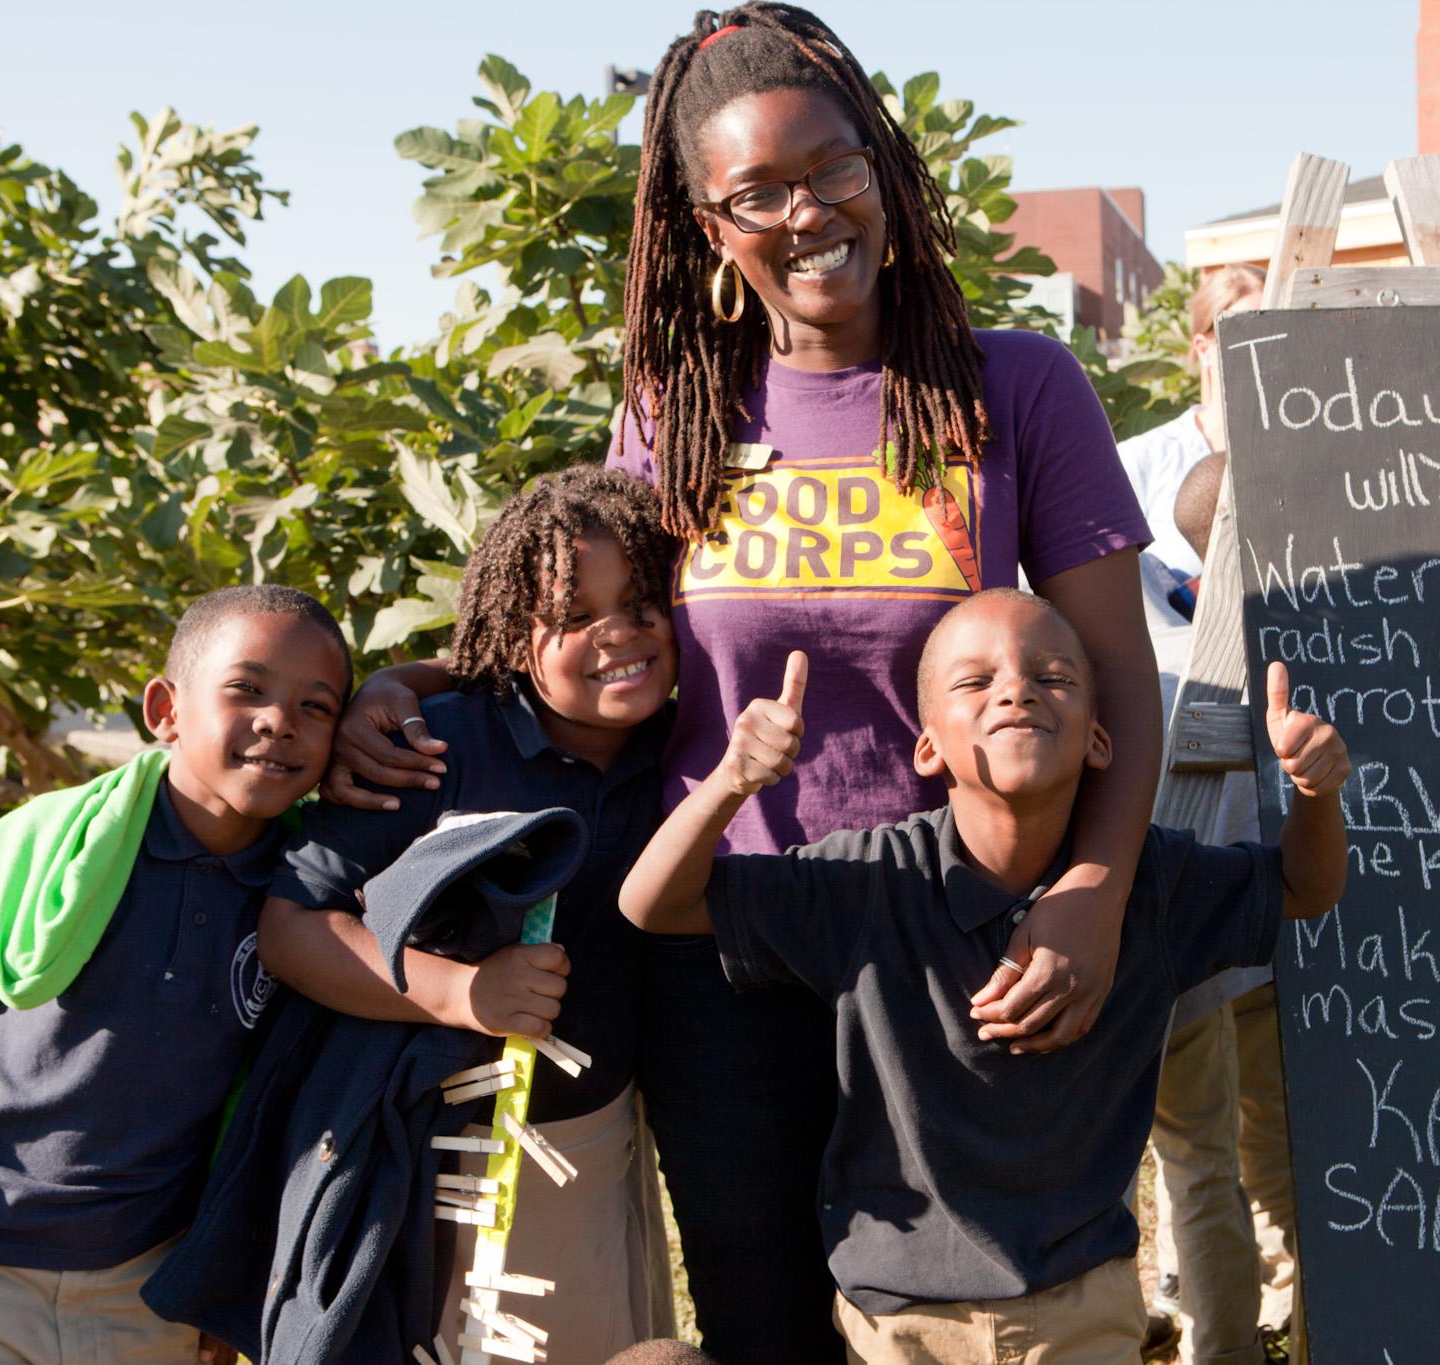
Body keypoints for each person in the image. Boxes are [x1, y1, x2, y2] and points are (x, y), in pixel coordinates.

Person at [327, 8, 1165, 1359]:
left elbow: (1116, 673)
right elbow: (598, 633)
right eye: (757, 193)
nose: (807, 213)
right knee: (763, 1321)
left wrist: (1089, 896)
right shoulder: (677, 411)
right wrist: (409, 676)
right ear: (709, 227)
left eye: (832, 168)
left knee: (969, 1314)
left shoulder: (1016, 385)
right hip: (720, 946)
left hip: (951, 943)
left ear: (883, 168)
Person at [618, 589, 1351, 1364]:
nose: (1016, 690)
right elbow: (652, 902)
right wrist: (730, 780)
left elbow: (1302, 887)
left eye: (1053, 676)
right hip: (902, 1322)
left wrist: (1316, 796)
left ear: (1100, 739)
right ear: (927, 748)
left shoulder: (1152, 884)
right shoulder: (872, 882)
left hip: (1085, 1306)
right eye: (976, 681)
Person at [248, 468, 681, 1362]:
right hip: (425, 1154)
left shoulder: (683, 744)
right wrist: (461, 992)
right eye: (573, 616)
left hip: (588, 1145)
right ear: (513, 636)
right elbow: (291, 927)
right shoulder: (431, 747)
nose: (618, 633)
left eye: (641, 602)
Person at [0, 585, 352, 1365]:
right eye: (246, 688)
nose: (279, 720)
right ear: (165, 708)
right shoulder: (53, 848)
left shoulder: (306, 896)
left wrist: (221, 1275)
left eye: (317, 706)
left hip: (148, 1281)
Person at [1148, 448, 1303, 1365]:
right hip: (1271, 936)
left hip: (1181, 947)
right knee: (1280, 1158)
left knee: (1198, 1167)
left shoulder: (1164, 655)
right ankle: (1306, 1322)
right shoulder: (1313, 645)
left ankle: (1226, 1351)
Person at [1118, 263, 1264, 616]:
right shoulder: (1145, 458)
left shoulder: (1310, 452)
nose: (1264, 346)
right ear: (1204, 347)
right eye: (1245, 331)